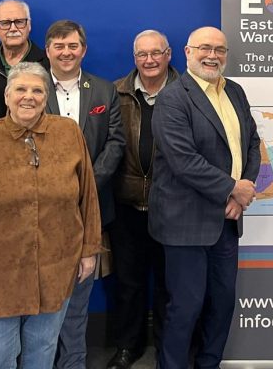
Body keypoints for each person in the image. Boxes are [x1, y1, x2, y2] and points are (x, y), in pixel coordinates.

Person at [0, 62, 102, 368]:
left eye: (37, 90)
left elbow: (88, 195)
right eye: (20, 89)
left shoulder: (68, 133)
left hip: (56, 265)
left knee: (42, 351)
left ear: (47, 97)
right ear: (7, 96)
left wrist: (89, 251)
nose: (28, 97)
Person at [149, 26, 260, 369]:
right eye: (205, 48)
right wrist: (231, 188)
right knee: (186, 307)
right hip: (185, 221)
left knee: (224, 302)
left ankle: (209, 364)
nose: (213, 55)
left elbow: (252, 145)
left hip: (227, 219)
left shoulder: (236, 92)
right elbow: (183, 160)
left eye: (220, 49)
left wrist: (241, 193)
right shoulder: (173, 97)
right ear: (187, 52)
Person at [43, 20, 125, 369]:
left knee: (79, 299)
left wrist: (87, 183)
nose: (66, 52)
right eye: (59, 46)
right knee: (43, 303)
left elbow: (116, 143)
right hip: (42, 212)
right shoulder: (29, 88)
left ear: (84, 50)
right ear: (47, 50)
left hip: (90, 211)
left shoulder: (104, 91)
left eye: (73, 46)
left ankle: (73, 363)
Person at [106, 29, 179, 369]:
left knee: (171, 284)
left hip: (173, 207)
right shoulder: (115, 91)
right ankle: (127, 347)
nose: (149, 60)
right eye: (142, 55)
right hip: (127, 204)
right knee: (128, 283)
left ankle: (169, 348)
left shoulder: (186, 91)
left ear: (169, 55)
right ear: (134, 58)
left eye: (156, 53)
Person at [0, 0, 49, 118]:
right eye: (5, 23)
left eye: (19, 22)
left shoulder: (48, 64)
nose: (13, 28)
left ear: (29, 25)